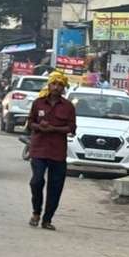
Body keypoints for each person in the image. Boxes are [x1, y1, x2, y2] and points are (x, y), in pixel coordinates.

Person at [27, 70, 76, 230]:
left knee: (55, 187)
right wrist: (39, 126)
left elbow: (71, 128)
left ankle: (47, 219)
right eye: (54, 84)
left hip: (57, 152)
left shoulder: (68, 106)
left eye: (60, 85)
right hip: (39, 149)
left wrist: (54, 128)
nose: (56, 87)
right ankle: (36, 212)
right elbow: (30, 123)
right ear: (49, 85)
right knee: (37, 181)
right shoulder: (38, 102)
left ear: (64, 88)